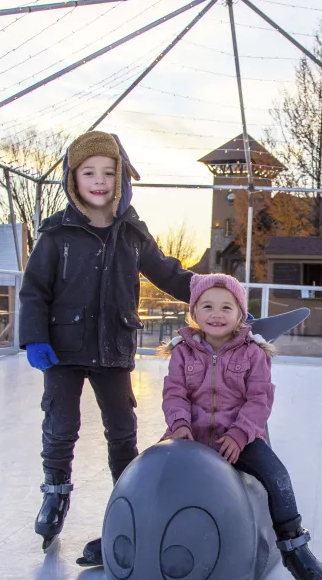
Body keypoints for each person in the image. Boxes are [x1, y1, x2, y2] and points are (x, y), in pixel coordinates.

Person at [18, 131, 193, 552]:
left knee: (122, 430)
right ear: (72, 179)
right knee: (61, 427)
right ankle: (55, 494)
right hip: (62, 350)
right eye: (89, 172)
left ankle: (128, 503)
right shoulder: (56, 234)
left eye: (109, 172)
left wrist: (213, 289)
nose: (99, 181)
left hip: (113, 347)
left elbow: (168, 274)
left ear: (122, 179)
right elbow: (34, 291)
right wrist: (35, 339)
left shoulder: (132, 232)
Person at [158, 273, 322, 580]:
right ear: (194, 312)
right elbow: (175, 393)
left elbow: (259, 399)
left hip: (239, 438)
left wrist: (239, 435)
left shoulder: (253, 352)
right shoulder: (183, 351)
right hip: (188, 437)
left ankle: (294, 546)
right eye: (207, 306)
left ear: (240, 314)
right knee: (150, 472)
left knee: (277, 477)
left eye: (226, 307)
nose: (216, 314)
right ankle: (135, 534)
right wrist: (179, 425)